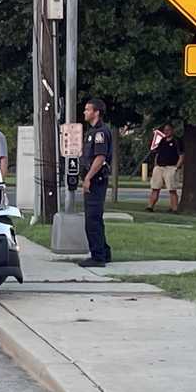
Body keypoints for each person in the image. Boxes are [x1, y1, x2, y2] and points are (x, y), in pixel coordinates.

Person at [79, 99, 113, 267]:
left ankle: (97, 257)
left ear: (96, 112)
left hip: (96, 181)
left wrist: (88, 178)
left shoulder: (100, 132)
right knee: (95, 218)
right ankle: (104, 252)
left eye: (87, 109)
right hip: (94, 180)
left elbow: (100, 158)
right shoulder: (92, 131)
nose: (85, 112)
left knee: (92, 219)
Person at [146, 123, 185, 213]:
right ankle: (150, 206)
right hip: (160, 167)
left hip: (171, 167)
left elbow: (181, 155)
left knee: (172, 188)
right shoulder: (162, 141)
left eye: (168, 130)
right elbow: (157, 153)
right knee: (155, 187)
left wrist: (177, 167)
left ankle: (174, 208)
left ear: (172, 130)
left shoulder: (177, 141)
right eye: (165, 130)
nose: (166, 132)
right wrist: (156, 165)